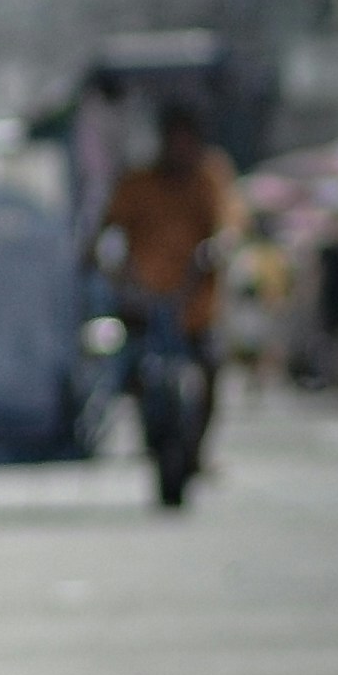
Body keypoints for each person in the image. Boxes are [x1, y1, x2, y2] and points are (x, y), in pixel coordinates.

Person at [96, 99, 245, 447]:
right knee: (127, 362)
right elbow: (108, 228)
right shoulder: (139, 184)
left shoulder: (210, 177)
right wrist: (108, 259)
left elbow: (230, 220)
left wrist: (220, 246)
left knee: (210, 366)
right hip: (145, 303)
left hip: (194, 306)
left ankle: (197, 446)